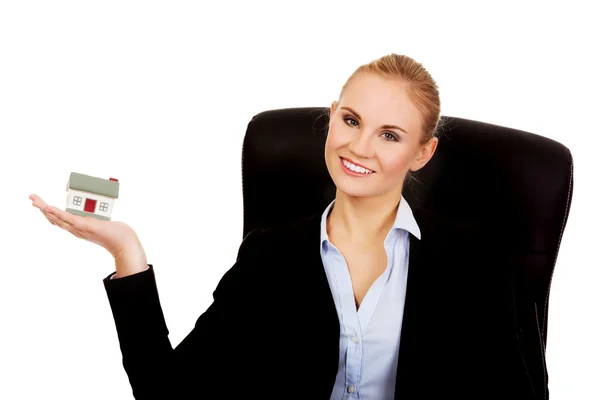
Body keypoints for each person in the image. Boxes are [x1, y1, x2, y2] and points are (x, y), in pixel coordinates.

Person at [29, 54, 543, 399]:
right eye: (351, 121)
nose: (359, 147)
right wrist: (127, 254)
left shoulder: (473, 260)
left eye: (389, 135)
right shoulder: (270, 256)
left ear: (422, 153)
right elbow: (170, 393)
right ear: (332, 116)